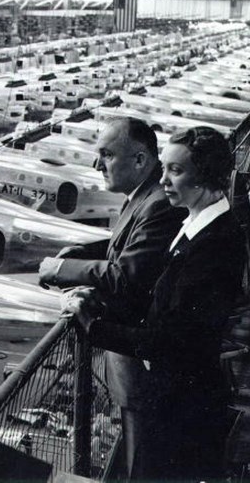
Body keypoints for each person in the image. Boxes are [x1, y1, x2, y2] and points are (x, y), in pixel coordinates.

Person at [64, 126, 246, 481]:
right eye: (163, 168)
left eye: (175, 171)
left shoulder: (214, 245)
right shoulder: (197, 225)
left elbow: (171, 340)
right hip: (177, 398)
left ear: (206, 176)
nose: (162, 181)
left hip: (183, 408)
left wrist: (93, 325)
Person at [38, 117, 186, 480]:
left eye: (106, 154)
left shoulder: (157, 204)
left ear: (139, 160)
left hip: (139, 366)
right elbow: (123, 245)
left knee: (141, 464)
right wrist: (79, 253)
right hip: (135, 364)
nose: (97, 164)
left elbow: (127, 275)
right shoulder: (145, 196)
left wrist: (60, 270)